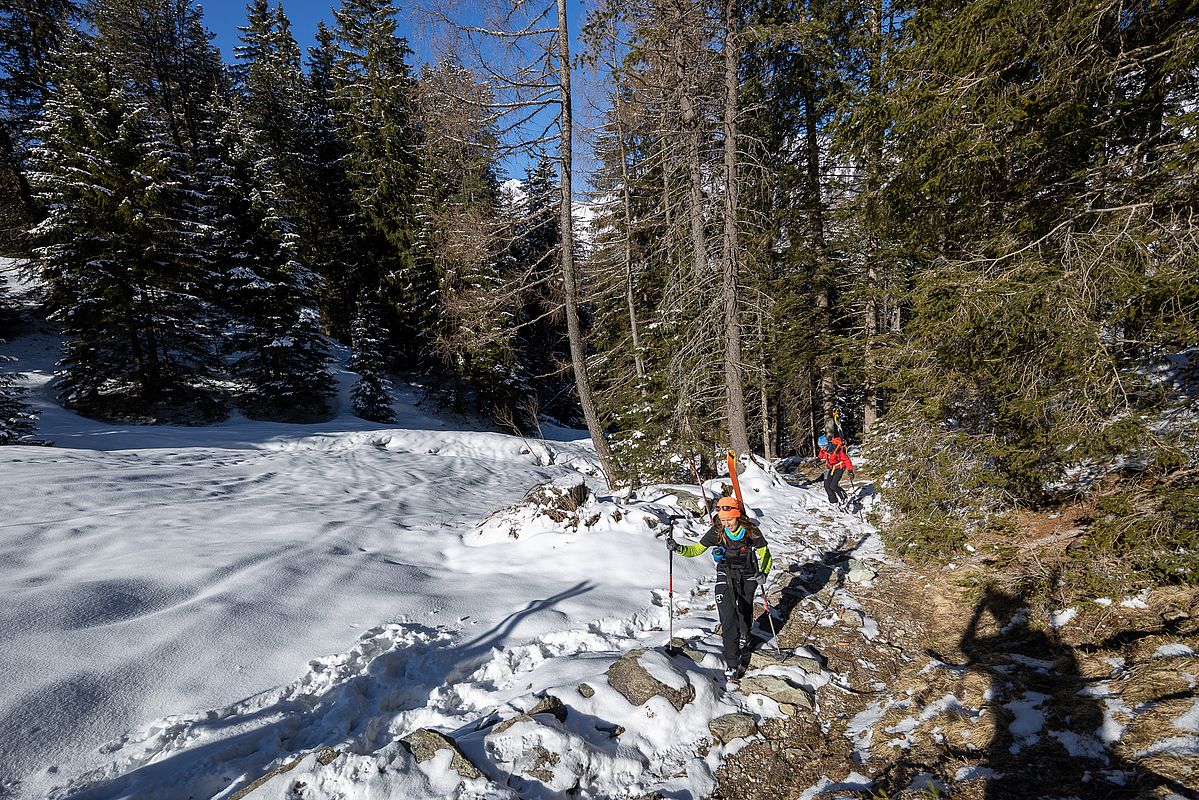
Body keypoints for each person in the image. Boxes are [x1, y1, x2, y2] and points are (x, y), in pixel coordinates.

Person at [666, 497, 772, 688]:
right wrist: (678, 548)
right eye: (723, 520)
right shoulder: (717, 531)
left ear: (737, 516)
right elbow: (696, 550)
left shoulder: (751, 531)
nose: (726, 524)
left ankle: (746, 640)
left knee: (744, 612)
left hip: (749, 575)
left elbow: (764, 553)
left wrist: (763, 572)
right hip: (726, 573)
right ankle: (732, 663)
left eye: (729, 519)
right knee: (727, 616)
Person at [817, 434, 855, 509]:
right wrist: (818, 459)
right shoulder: (823, 449)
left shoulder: (836, 450)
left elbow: (846, 460)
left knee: (833, 485)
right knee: (827, 485)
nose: (821, 448)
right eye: (820, 446)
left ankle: (843, 497)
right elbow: (821, 454)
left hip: (840, 467)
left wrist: (850, 471)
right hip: (830, 467)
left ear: (827, 445)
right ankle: (833, 502)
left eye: (823, 446)